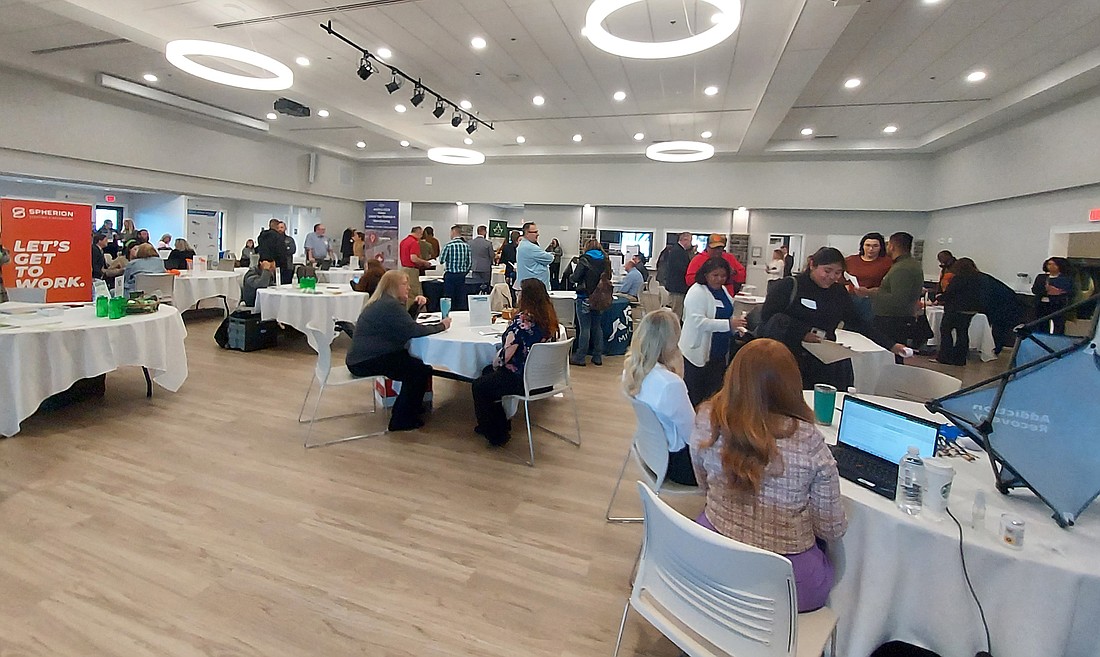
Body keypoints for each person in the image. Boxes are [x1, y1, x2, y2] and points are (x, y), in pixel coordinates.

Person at [690, 338, 847, 613]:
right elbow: (831, 529)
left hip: (712, 553)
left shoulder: (707, 419)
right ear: (792, 385)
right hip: (786, 583)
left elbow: (703, 484)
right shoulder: (809, 442)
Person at [762, 246, 907, 390]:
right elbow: (768, 316)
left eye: (838, 273)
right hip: (788, 358)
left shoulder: (838, 293)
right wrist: (802, 332)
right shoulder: (789, 285)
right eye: (827, 271)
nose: (832, 277)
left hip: (824, 361)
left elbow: (858, 323)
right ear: (812, 265)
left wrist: (891, 345)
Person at [346, 270, 451, 432]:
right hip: (367, 360)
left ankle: (409, 409)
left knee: (418, 368)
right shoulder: (390, 305)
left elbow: (403, 326)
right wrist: (442, 326)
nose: (408, 288)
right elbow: (412, 330)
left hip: (365, 356)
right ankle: (402, 419)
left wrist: (416, 307)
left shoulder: (384, 302)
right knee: (418, 371)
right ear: (393, 287)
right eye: (404, 284)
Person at [471, 279, 559, 446]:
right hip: (544, 378)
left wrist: (497, 359)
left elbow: (505, 358)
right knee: (487, 373)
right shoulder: (548, 319)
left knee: (480, 385)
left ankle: (496, 433)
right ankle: (498, 423)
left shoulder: (522, 323)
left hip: (522, 379)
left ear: (525, 297)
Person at [622, 309, 697, 486]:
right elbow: (693, 436)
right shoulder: (670, 384)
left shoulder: (632, 371)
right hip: (680, 465)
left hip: (651, 453)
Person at [679, 257, 746, 406]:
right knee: (695, 395)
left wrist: (736, 328)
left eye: (723, 276)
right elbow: (698, 322)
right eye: (715, 275)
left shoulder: (723, 291)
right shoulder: (697, 292)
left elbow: (728, 313)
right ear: (706, 275)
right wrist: (728, 324)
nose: (719, 279)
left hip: (719, 351)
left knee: (714, 395)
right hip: (697, 351)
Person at [854, 232, 924, 358]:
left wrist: (870, 292)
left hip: (892, 319)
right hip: (894, 317)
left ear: (891, 246)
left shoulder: (902, 268)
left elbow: (898, 298)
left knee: (889, 355)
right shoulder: (906, 264)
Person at [933, 257, 983, 365]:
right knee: (962, 333)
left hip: (956, 309)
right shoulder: (979, 278)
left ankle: (945, 356)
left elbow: (951, 293)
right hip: (970, 310)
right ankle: (960, 359)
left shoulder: (959, 278)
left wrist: (940, 298)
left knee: (946, 331)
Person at [570, 239, 611, 366]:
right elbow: (608, 277)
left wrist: (571, 277)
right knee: (597, 327)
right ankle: (597, 356)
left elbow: (575, 277)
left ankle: (581, 356)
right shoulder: (606, 260)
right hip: (599, 298)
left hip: (584, 296)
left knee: (585, 328)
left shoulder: (584, 259)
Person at [845, 232, 892, 324]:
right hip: (851, 298)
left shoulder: (887, 263)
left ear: (881, 247)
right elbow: (840, 279)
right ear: (862, 246)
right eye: (868, 245)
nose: (871, 249)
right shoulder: (850, 260)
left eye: (875, 246)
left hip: (873, 300)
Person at [657, 232, 694, 320]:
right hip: (677, 287)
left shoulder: (677, 250)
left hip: (677, 287)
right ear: (684, 240)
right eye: (690, 241)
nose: (691, 244)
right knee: (676, 313)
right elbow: (681, 268)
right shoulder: (678, 251)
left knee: (678, 311)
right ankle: (675, 331)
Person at [1032, 256, 1073, 335]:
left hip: (1057, 304)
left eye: (1054, 264)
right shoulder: (1041, 277)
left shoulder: (1065, 278)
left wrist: (1057, 292)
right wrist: (1046, 291)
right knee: (1042, 324)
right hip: (1042, 304)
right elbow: (1035, 289)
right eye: (1049, 264)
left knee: (1058, 324)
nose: (1051, 266)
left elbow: (1068, 291)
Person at [438, 224, 471, 310]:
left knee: (449, 298)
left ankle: (449, 315)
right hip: (461, 276)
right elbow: (470, 263)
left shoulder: (448, 245)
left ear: (453, 232)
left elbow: (441, 260)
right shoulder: (466, 246)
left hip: (450, 275)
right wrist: (464, 272)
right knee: (460, 298)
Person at [516, 222, 554, 290]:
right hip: (534, 289)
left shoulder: (524, 245)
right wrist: (550, 255)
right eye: (535, 232)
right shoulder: (530, 247)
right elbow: (549, 259)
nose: (538, 234)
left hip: (531, 287)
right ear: (527, 233)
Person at [399, 226, 431, 299]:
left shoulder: (403, 241)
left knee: (405, 291)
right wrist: (424, 262)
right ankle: (413, 308)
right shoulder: (414, 242)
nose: (421, 236)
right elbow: (413, 258)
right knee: (413, 292)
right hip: (412, 270)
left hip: (403, 269)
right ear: (418, 232)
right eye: (421, 234)